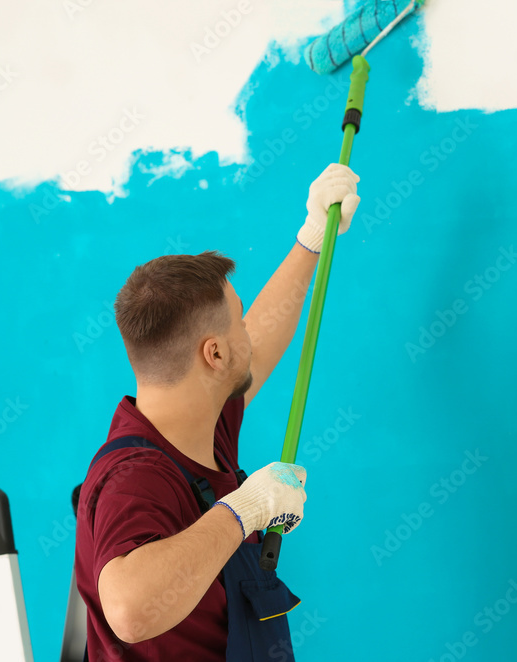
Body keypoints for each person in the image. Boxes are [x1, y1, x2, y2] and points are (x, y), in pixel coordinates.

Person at [74, 163, 361, 661]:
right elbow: (129, 610)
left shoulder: (196, 429)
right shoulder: (135, 478)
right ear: (214, 355)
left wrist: (313, 236)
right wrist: (245, 509)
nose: (248, 333)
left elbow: (263, 335)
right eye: (237, 327)